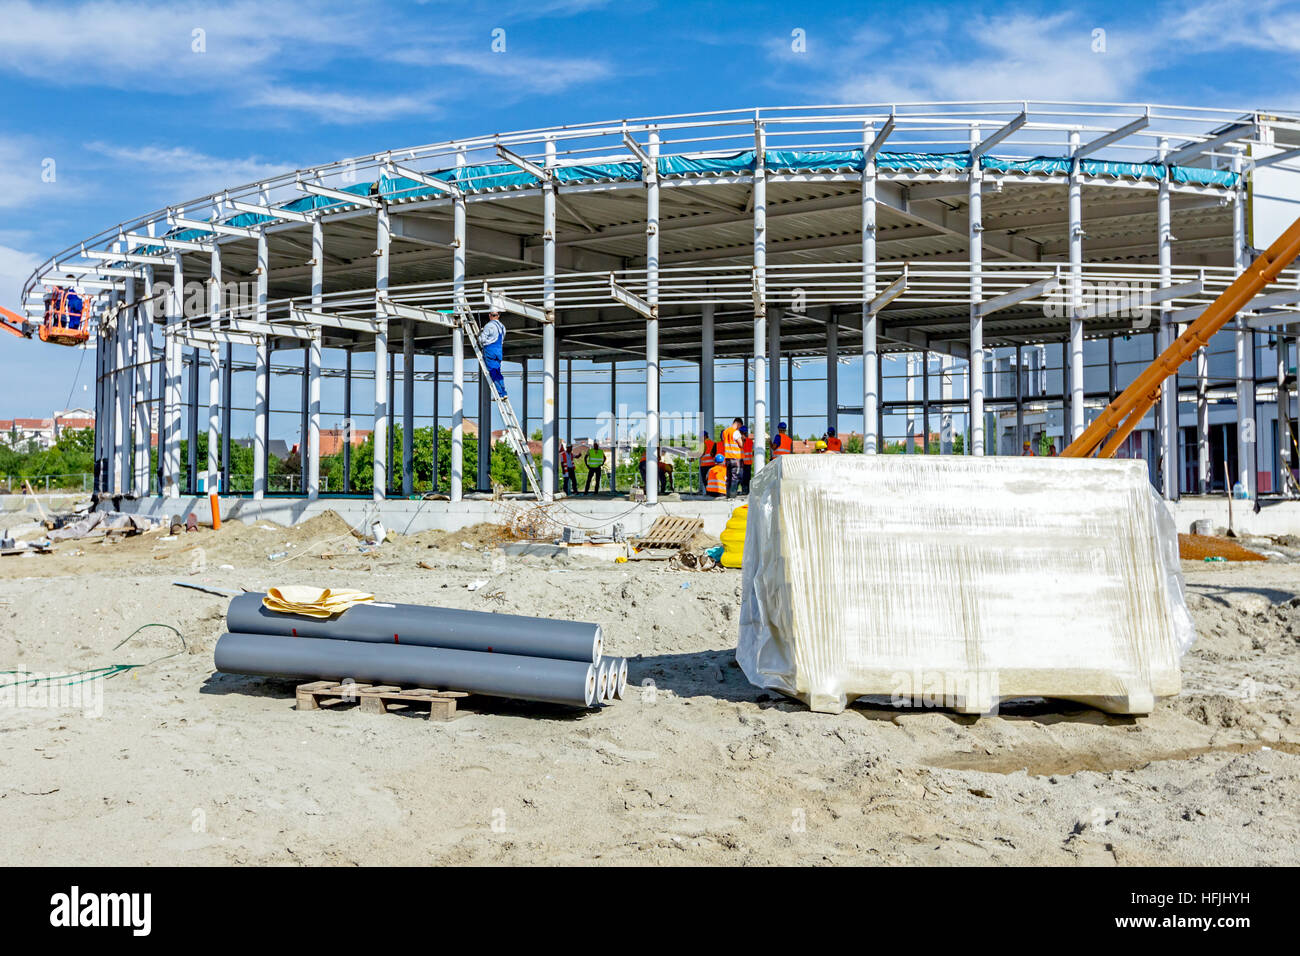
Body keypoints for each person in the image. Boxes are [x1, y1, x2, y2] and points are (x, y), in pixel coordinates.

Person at [478, 311, 508, 397]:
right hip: (499, 351)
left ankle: (500, 393)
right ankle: (503, 392)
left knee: (493, 372)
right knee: (498, 371)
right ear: (498, 316)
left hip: (490, 350)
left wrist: (480, 335)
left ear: (490, 316)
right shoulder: (502, 327)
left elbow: (482, 340)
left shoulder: (489, 326)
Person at [722, 417, 744, 497]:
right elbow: (741, 444)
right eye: (740, 426)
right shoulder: (736, 432)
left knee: (728, 477)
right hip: (735, 458)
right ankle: (732, 495)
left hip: (727, 458)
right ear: (738, 423)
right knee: (735, 477)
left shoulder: (725, 432)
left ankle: (728, 495)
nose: (740, 428)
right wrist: (742, 439)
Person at [739, 425, 753, 495]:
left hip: (743, 462)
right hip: (747, 462)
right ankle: (746, 490)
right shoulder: (750, 441)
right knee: (746, 477)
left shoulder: (743, 441)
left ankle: (745, 490)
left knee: (743, 477)